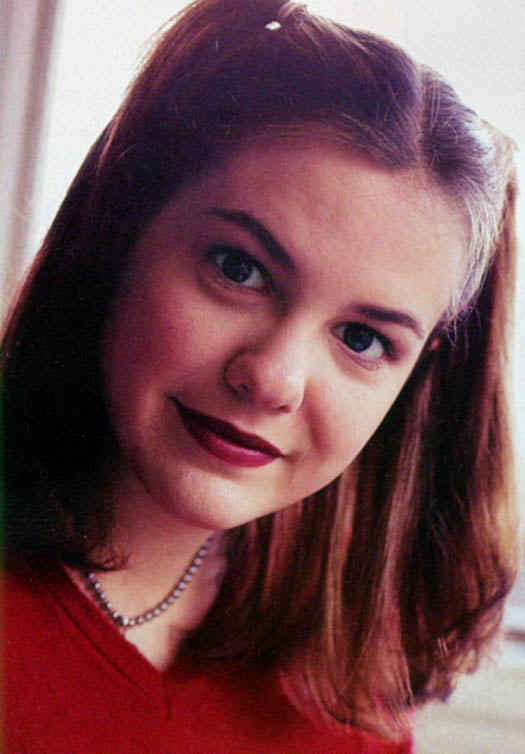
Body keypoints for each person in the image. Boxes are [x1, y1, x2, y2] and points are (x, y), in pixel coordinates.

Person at [2, 0, 519, 751]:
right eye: (238, 269)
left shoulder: (352, 706)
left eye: (363, 339)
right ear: (122, 228)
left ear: (415, 378)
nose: (274, 378)